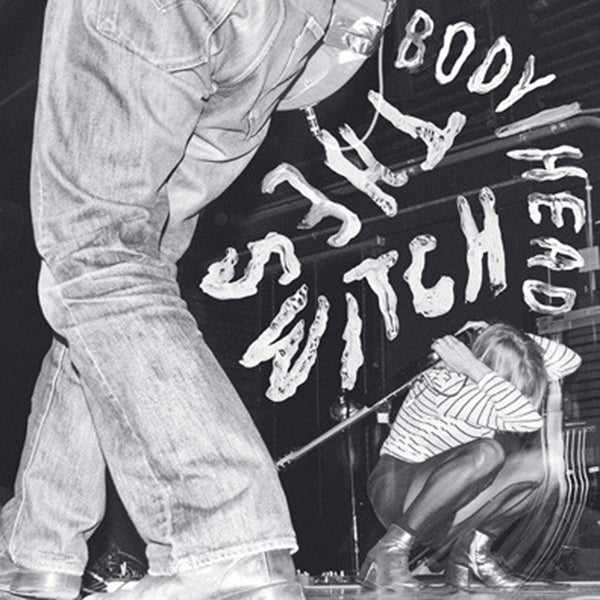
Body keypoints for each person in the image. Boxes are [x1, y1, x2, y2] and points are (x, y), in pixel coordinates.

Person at [0, 1, 395, 599]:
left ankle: (224, 538)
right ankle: (38, 545)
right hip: (293, 30)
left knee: (96, 250)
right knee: (117, 274)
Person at [357, 322, 581, 592]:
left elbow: (570, 360)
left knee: (542, 466)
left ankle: (471, 554)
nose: (522, 397)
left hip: (447, 499)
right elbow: (528, 420)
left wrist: (495, 332)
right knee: (488, 453)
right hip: (396, 490)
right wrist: (472, 366)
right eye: (513, 389)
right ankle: (389, 550)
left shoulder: (482, 382)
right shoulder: (447, 385)